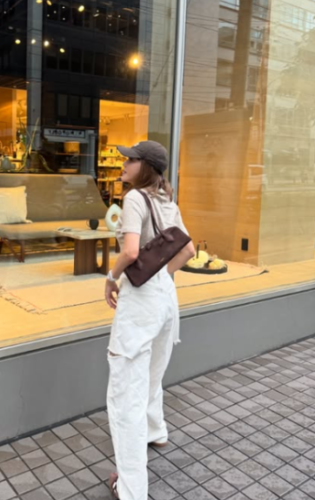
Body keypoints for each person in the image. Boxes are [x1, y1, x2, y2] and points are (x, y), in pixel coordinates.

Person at [104, 141, 195, 500]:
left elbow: (130, 252)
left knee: (126, 391)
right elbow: (188, 250)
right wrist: (162, 276)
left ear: (145, 167)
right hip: (166, 300)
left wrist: (111, 277)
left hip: (141, 303)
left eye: (130, 159)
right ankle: (156, 430)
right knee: (152, 373)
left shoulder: (134, 199)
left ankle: (130, 489)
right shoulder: (167, 201)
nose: (124, 164)